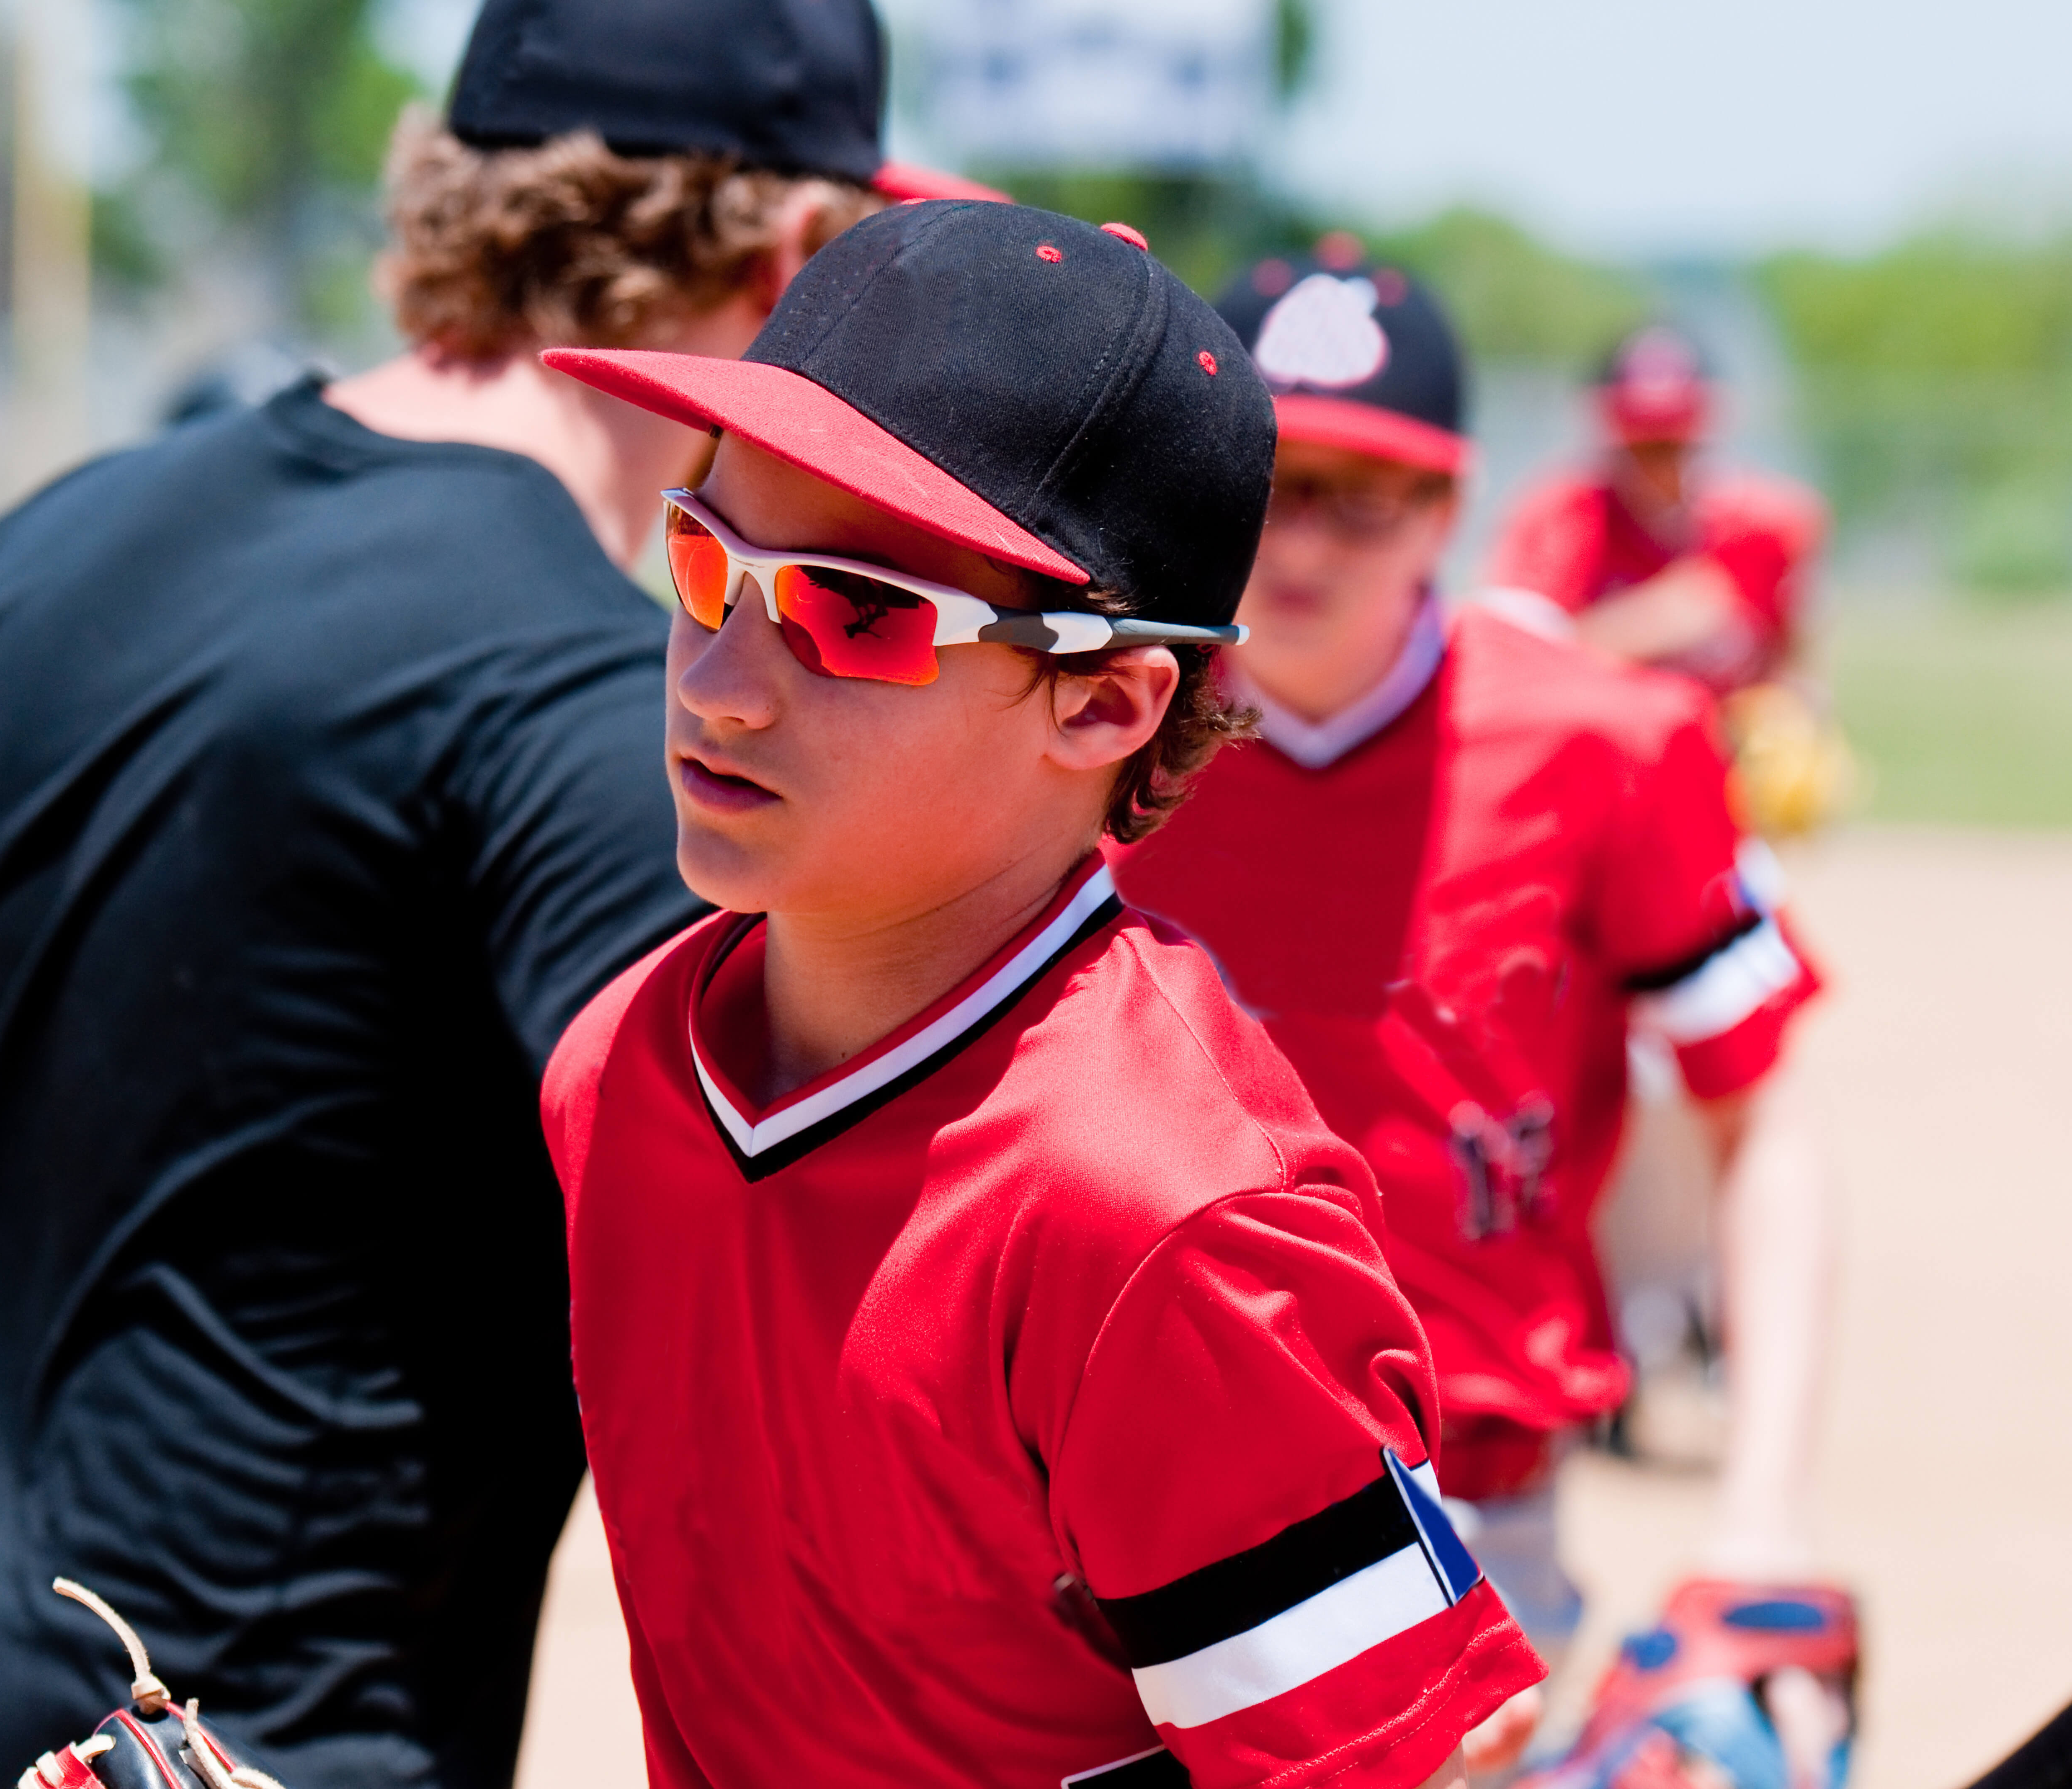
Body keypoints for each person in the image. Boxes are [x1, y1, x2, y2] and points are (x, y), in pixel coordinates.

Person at [0, 0, 974, 1780]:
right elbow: (792, 1309)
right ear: (777, 256)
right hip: (187, 1744)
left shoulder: (51, 539)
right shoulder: (580, 704)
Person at [538, 201, 1544, 1789]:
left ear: (1105, 700)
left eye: (851, 612)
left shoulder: (1162, 1218)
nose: (718, 677)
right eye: (702, 558)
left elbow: (1388, 1768)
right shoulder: (621, 1063)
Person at [1106, 248, 1843, 1771]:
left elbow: (1762, 1110)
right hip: (1110, 1490)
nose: (1299, 535)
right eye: (1265, 478)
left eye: (1358, 491)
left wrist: (1759, 1513)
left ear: (1449, 510)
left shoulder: (1600, 738)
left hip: (1463, 1511)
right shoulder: (1089, 722)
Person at [1481, 325, 1845, 838]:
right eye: (1641, 448)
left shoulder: (1769, 528)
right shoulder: (1563, 520)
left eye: (1675, 448)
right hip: (1584, 804)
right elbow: (1502, 670)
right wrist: (1646, 624)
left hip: (1716, 805)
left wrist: (1799, 731)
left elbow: (1791, 674)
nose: (1658, 470)